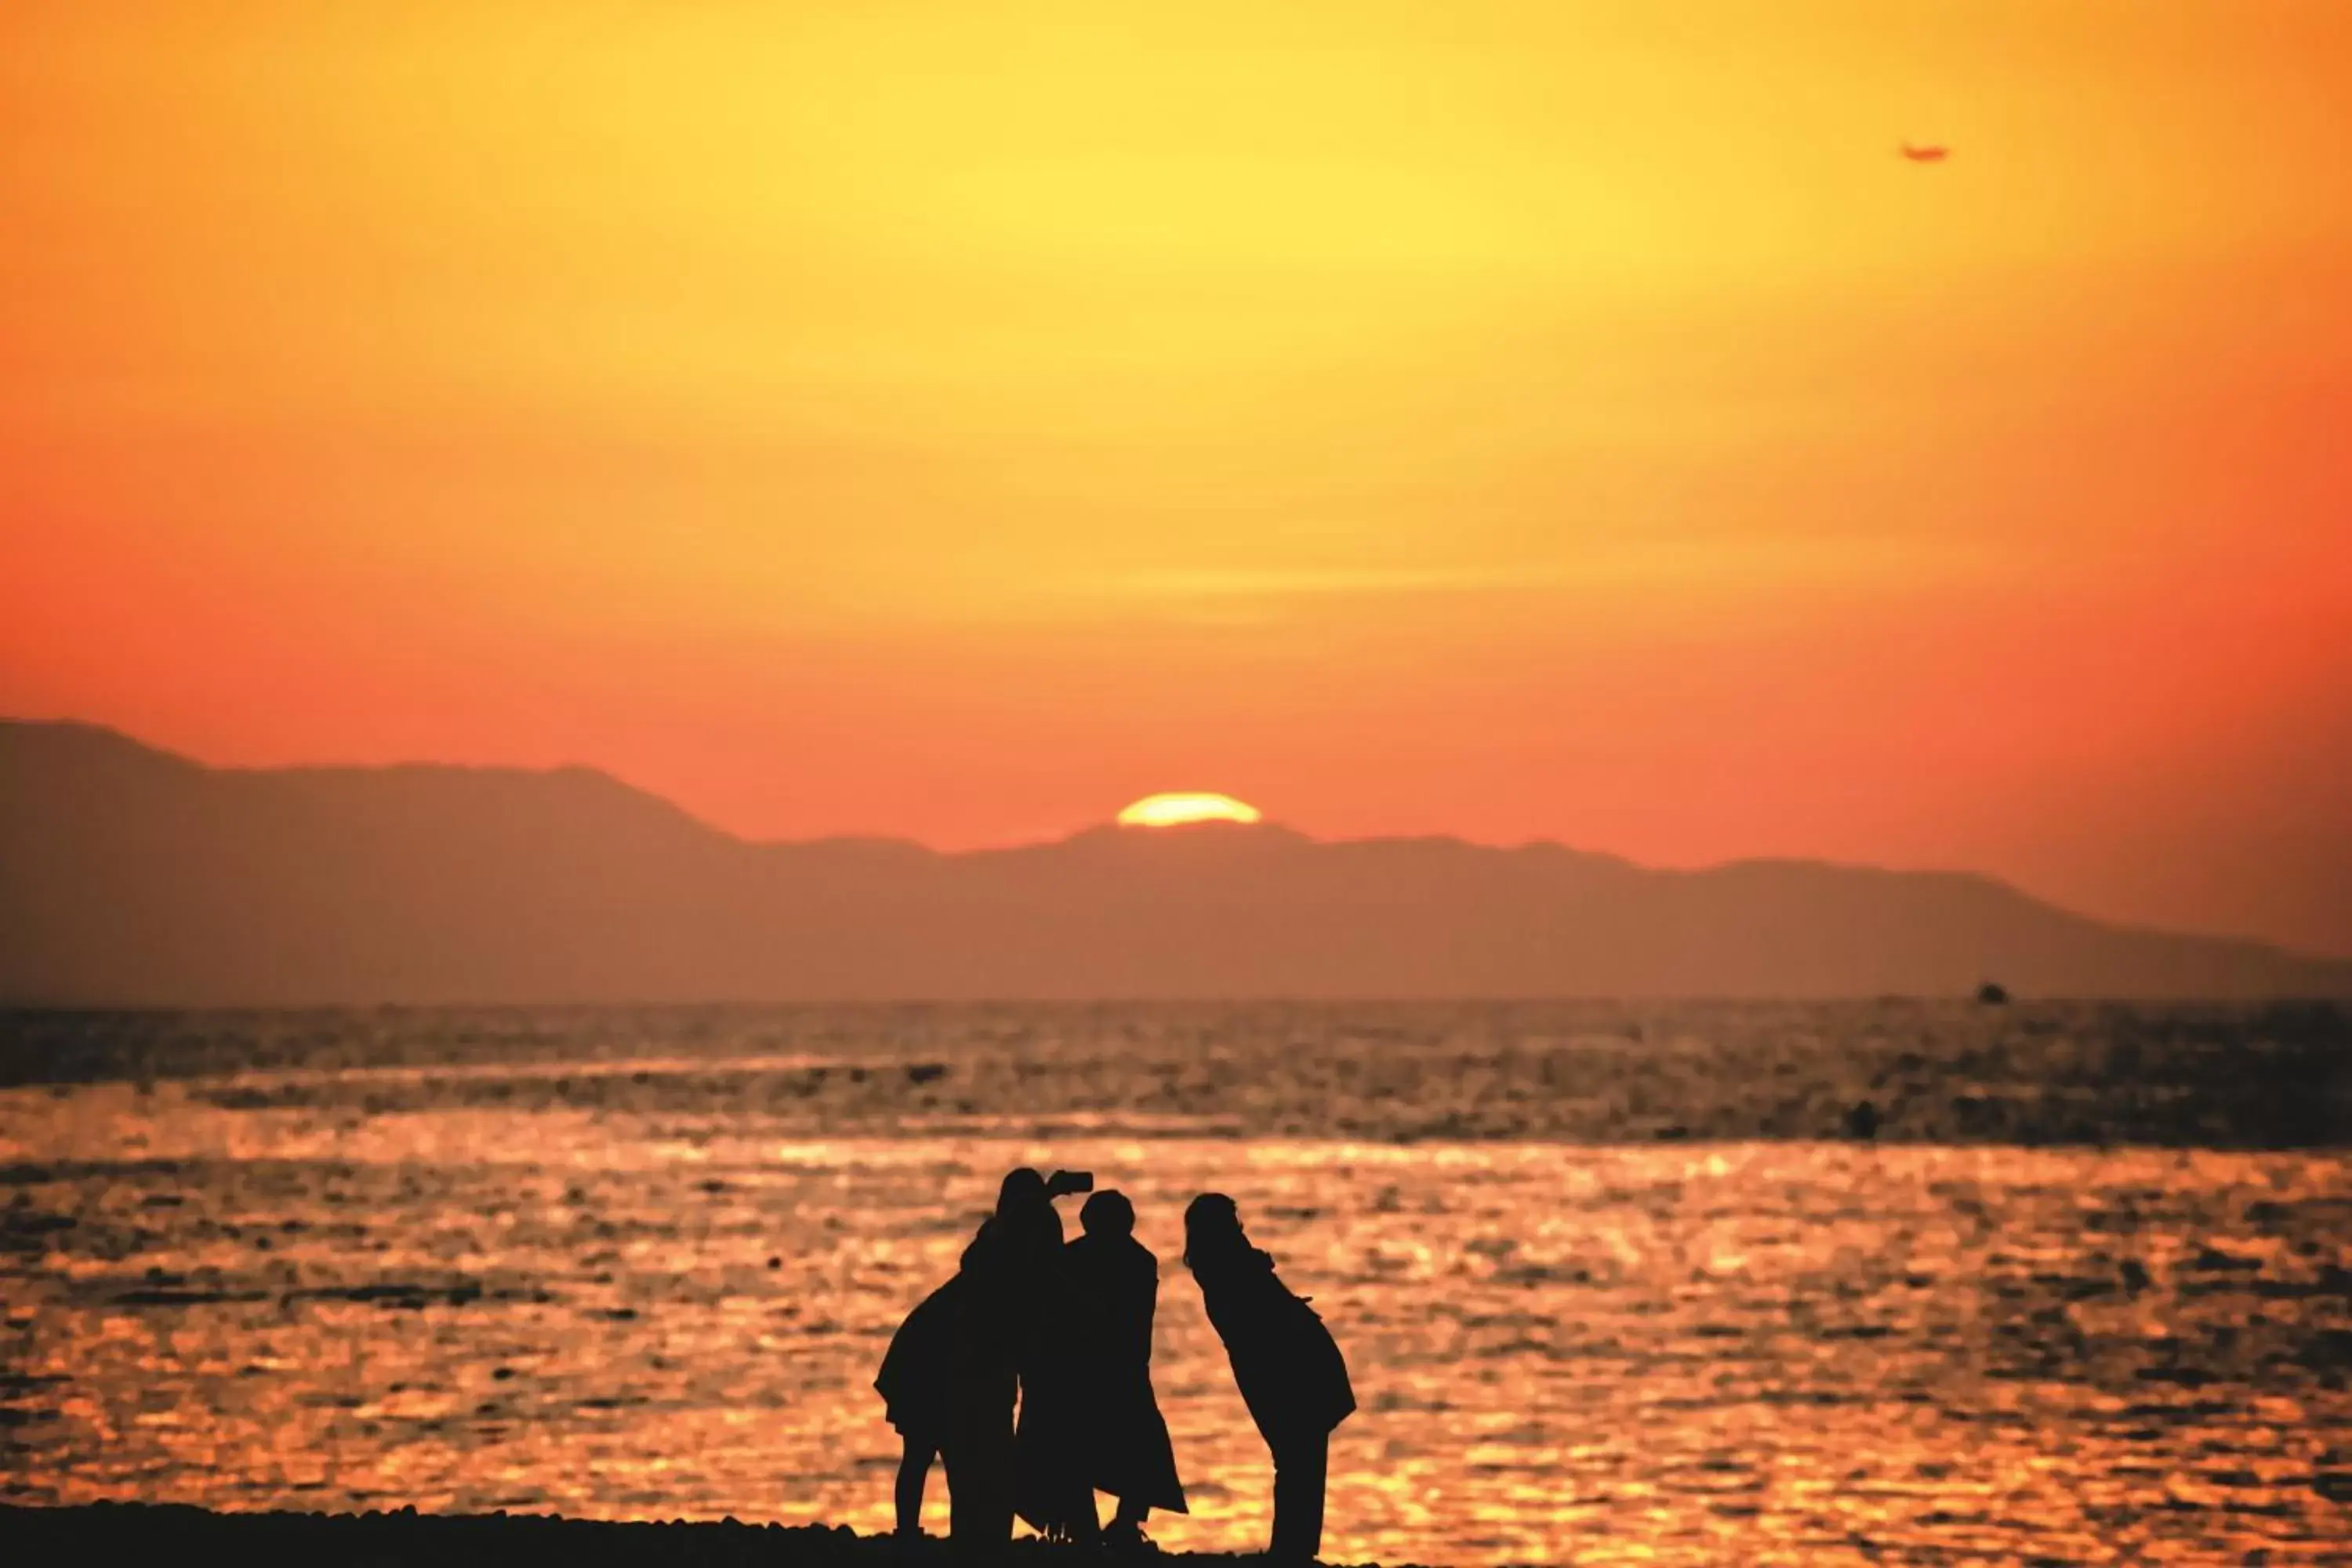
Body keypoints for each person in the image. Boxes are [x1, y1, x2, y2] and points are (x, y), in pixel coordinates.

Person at [1183, 1192, 1355, 1563]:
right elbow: (1257, 1312)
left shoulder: (1223, 1265)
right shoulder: (1228, 1268)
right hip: (1278, 1369)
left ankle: (1294, 1547)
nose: (1237, 1226)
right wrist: (1258, 1264)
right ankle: (1294, 1549)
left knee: (1298, 1456)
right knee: (1299, 1456)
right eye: (1230, 1220)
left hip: (1273, 1368)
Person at [1065, 1190, 1188, 1549]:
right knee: (1140, 1448)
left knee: (1086, 1447)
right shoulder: (1140, 1260)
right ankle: (1112, 1525)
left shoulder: (1074, 1257)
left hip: (1095, 1366)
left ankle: (1096, 1525)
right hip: (1120, 1366)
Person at [873, 1271, 961, 1539]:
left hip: (921, 1362)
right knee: (932, 1454)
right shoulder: (982, 1292)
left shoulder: (976, 1284)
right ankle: (912, 1533)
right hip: (920, 1367)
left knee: (929, 1456)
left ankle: (912, 1534)